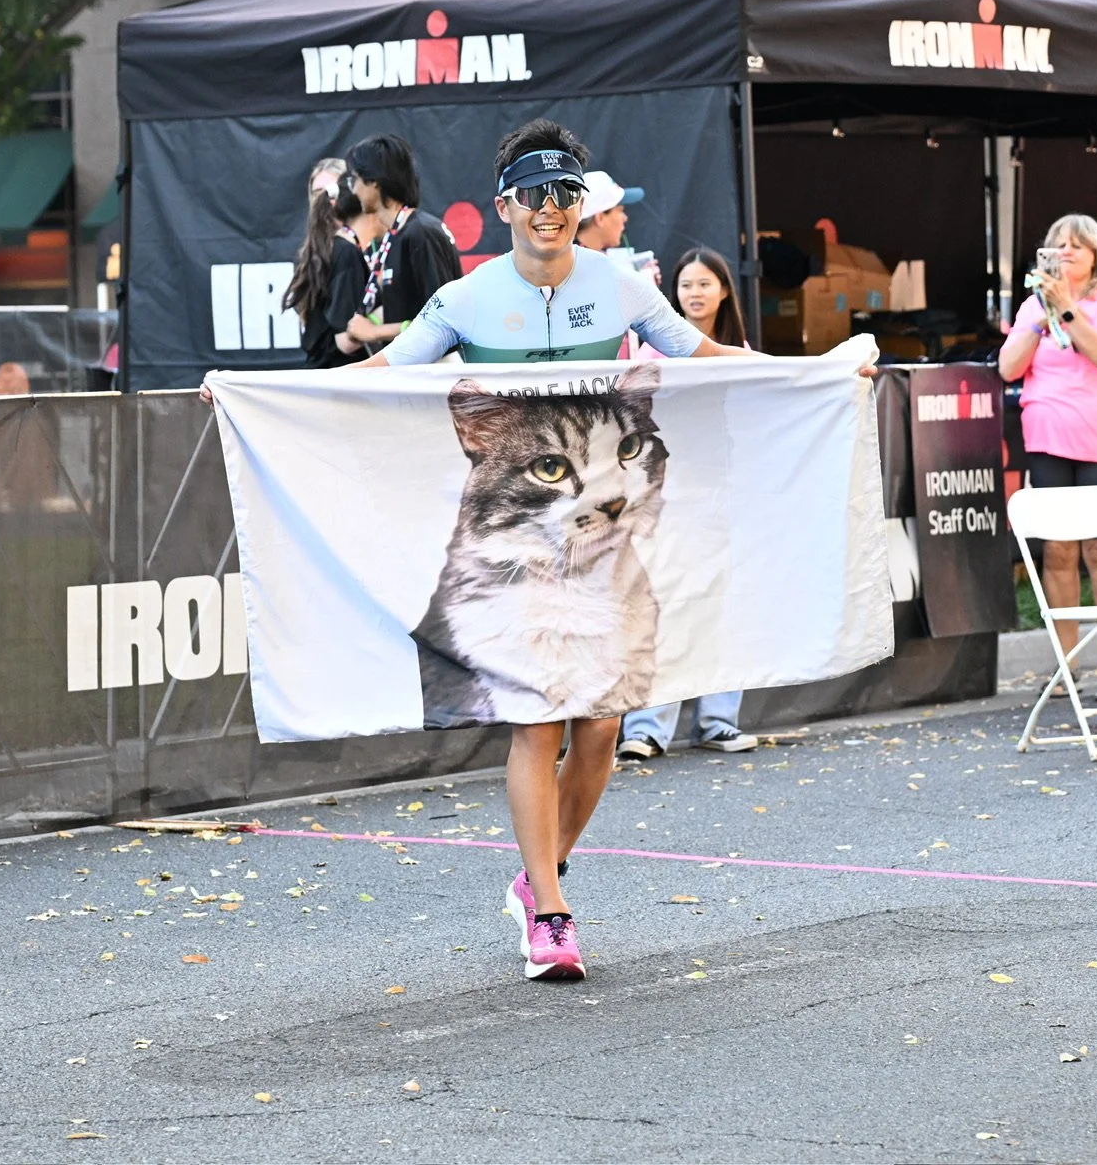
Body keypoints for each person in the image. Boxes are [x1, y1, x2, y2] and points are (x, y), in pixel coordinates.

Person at [365, 119, 758, 980]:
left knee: (604, 726)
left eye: (565, 195)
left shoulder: (619, 285)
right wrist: (249, 392)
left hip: (604, 546)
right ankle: (549, 910)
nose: (550, 210)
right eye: (535, 195)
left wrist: (818, 370)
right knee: (538, 726)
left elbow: (702, 353)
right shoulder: (467, 298)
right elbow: (382, 373)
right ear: (504, 204)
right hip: (518, 551)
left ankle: (541, 870)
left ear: (581, 205)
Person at [618, 247, 758, 760]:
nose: (694, 293)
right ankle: (647, 728)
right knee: (661, 603)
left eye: (704, 284)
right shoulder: (652, 348)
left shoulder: (738, 349)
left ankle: (718, 720)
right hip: (662, 496)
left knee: (721, 601)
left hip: (719, 490)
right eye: (685, 285)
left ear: (724, 290)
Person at [997, 215, 1097, 702]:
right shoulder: (1031, 305)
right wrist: (1040, 318)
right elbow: (1007, 367)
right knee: (1057, 551)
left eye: (1078, 245)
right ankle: (1066, 663)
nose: (1067, 252)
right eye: (1058, 245)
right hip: (1047, 435)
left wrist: (1067, 310)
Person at [335, 133, 461, 355]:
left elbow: (445, 323)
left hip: (435, 380)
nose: (353, 190)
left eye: (354, 179)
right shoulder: (399, 234)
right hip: (412, 376)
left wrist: (375, 332)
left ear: (374, 182)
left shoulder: (420, 233)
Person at [284, 159, 369, 368]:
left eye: (329, 191)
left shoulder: (356, 247)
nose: (322, 199)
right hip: (340, 380)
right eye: (316, 192)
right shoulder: (329, 253)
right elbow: (345, 341)